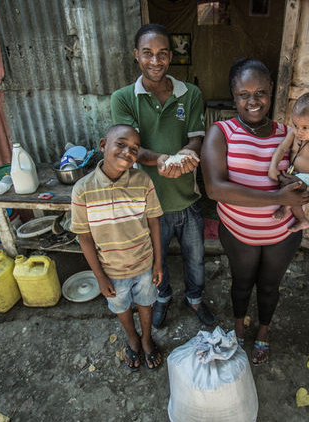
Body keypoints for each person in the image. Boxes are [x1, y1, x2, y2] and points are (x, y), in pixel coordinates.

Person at [201, 58, 309, 364]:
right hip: (239, 233)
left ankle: (262, 332)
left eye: (261, 93)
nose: (253, 101)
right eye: (243, 94)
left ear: (272, 91)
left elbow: (306, 172)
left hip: (283, 233)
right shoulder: (220, 132)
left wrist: (305, 190)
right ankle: (239, 328)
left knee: (269, 286)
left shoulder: (289, 133)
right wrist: (277, 197)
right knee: (241, 283)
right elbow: (215, 189)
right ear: (233, 94)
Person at [111, 23, 215, 328]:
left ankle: (195, 299)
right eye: (147, 53)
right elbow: (131, 150)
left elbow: (196, 137)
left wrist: (186, 154)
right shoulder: (124, 98)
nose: (155, 61)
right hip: (148, 203)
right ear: (136, 55)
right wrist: (163, 159)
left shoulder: (190, 94)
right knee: (156, 263)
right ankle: (163, 298)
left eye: (162, 54)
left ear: (171, 56)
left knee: (195, 260)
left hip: (187, 198)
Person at [70, 124, 163, 371]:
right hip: (111, 269)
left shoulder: (143, 180)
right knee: (121, 306)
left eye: (134, 149)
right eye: (120, 144)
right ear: (103, 145)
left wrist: (158, 263)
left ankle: (146, 337)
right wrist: (100, 276)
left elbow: (154, 222)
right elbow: (84, 237)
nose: (127, 152)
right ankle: (132, 337)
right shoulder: (83, 189)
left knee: (145, 302)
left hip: (144, 263)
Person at [268, 93, 309, 232]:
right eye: (296, 125)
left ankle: (285, 208)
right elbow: (281, 148)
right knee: (286, 183)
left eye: (305, 128)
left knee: (292, 190)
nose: (299, 131)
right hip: (294, 173)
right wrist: (273, 166)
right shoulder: (293, 133)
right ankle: (303, 220)